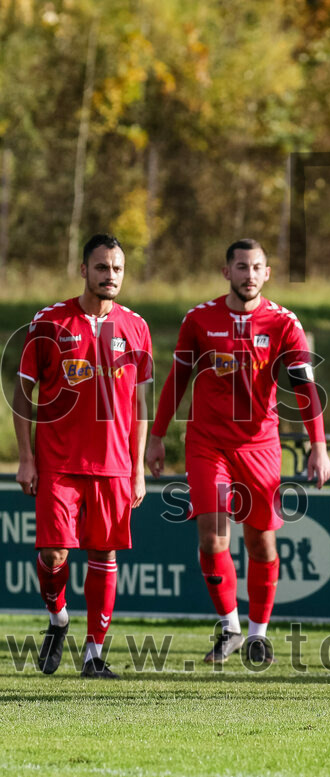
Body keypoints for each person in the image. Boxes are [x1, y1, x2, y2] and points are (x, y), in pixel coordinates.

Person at [145, 239, 330, 665]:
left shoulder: (284, 323)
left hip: (260, 445)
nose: (249, 275)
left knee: (261, 542)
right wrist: (156, 437)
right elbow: (177, 380)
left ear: (267, 274)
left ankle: (258, 634)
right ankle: (229, 626)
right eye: (241, 267)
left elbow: (305, 390)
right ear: (226, 271)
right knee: (212, 535)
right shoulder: (199, 319)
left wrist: (318, 447)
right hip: (207, 442)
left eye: (257, 267)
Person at [14, 233, 153, 679]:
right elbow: (23, 393)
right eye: (101, 267)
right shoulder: (51, 322)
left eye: (116, 268)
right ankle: (58, 619)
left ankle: (94, 654)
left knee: (105, 554)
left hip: (114, 465)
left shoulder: (136, 327)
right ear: (83, 270)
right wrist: (26, 458)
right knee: (54, 554)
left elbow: (141, 406)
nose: (109, 276)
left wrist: (137, 470)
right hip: (57, 461)